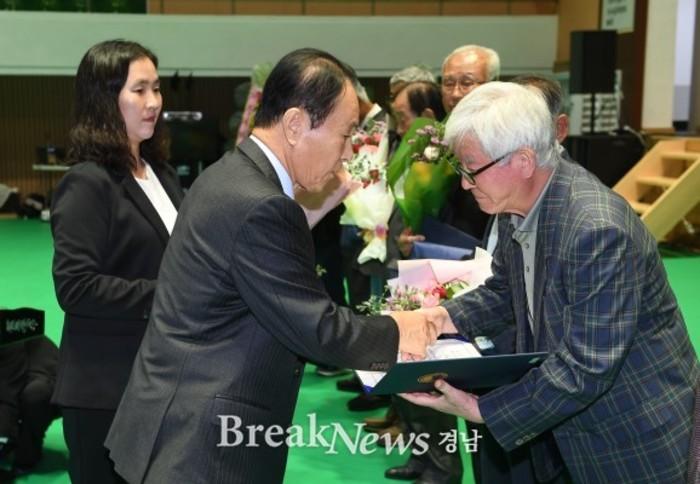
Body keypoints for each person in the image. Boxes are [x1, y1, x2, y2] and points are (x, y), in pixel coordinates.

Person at [105, 48, 437, 484]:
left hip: (180, 415)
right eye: (345, 135)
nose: (347, 152)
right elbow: (318, 329)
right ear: (295, 124)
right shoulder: (260, 204)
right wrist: (407, 328)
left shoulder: (230, 173)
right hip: (203, 444)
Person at [404, 81, 700, 483]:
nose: (465, 183)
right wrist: (436, 318)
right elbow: (505, 291)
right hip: (567, 425)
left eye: (471, 169)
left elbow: (587, 365)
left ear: (523, 161)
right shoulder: (518, 204)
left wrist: (480, 410)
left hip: (629, 433)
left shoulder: (597, 230)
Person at [50, 39, 183, 484]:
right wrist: (171, 295)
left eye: (156, 89)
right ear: (105, 100)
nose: (153, 102)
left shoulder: (161, 174)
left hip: (159, 382)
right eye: (139, 90)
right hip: (105, 391)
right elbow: (75, 287)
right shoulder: (87, 182)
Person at [0, 336, 59, 479]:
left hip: (49, 383)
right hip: (16, 372)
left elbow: (7, 401)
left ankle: (27, 455)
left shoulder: (8, 340)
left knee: (35, 396)